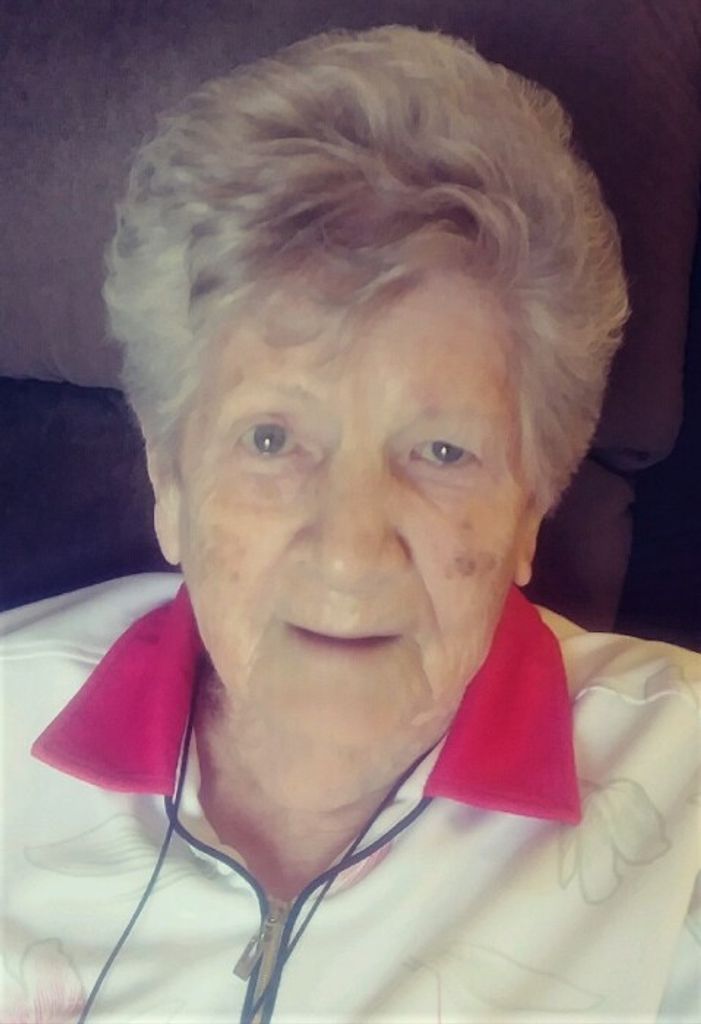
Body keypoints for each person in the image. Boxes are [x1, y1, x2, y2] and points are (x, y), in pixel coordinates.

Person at [2, 24, 699, 1024]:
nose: (347, 550)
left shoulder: (681, 802)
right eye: (272, 439)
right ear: (169, 480)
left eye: (442, 451)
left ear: (530, 506)